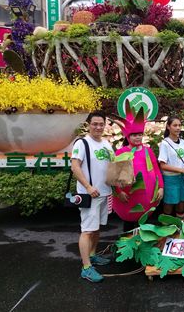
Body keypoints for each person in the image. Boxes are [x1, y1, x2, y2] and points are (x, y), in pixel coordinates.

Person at [71, 111, 115, 283]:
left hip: (105, 192)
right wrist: (88, 187)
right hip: (89, 194)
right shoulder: (82, 143)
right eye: (94, 124)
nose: (98, 127)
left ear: (105, 124)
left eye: (101, 124)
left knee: (97, 228)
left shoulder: (106, 143)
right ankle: (86, 268)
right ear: (88, 124)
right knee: (87, 230)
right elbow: (75, 166)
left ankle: (93, 255)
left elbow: (112, 166)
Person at [112, 104, 164, 233]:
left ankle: (142, 247)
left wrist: (161, 187)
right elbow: (114, 175)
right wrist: (119, 192)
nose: (137, 137)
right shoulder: (121, 152)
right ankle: (127, 246)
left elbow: (156, 170)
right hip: (128, 195)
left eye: (139, 134)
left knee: (143, 223)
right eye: (134, 135)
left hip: (146, 195)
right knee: (129, 223)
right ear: (128, 137)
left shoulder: (148, 151)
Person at [158, 116, 184, 219]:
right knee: (168, 208)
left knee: (181, 207)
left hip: (182, 179)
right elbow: (163, 165)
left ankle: (180, 231)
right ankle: (167, 232)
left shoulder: (182, 142)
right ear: (168, 127)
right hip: (170, 179)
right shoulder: (165, 144)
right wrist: (181, 170)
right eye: (175, 125)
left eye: (179, 125)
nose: (178, 128)